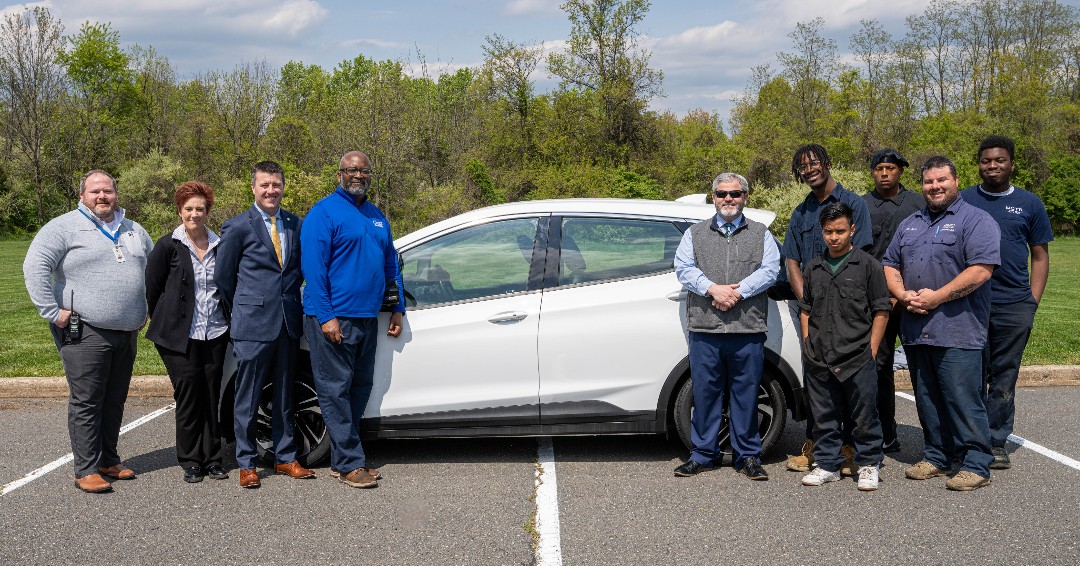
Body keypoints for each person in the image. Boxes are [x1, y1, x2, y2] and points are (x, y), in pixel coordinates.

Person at [23, 170, 154, 493]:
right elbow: (34, 266)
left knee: (114, 399)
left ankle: (109, 459)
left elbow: (152, 272)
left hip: (127, 330)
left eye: (108, 191)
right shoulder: (63, 227)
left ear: (116, 195)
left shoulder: (134, 230)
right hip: (85, 331)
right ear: (82, 196)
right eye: (95, 191)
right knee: (88, 400)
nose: (102, 196)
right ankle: (85, 468)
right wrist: (53, 313)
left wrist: (146, 310)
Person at [882, 156, 999, 491]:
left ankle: (976, 462)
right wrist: (903, 295)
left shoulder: (976, 220)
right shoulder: (911, 224)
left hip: (958, 328)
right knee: (928, 398)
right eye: (929, 182)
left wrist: (938, 297)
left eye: (941, 181)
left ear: (956, 181)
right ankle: (936, 456)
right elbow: (889, 263)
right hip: (917, 329)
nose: (934, 187)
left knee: (962, 397)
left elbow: (981, 270)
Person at [300, 151, 404, 489]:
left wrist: (397, 307)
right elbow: (313, 270)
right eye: (351, 170)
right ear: (340, 174)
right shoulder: (323, 213)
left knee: (360, 386)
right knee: (334, 391)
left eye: (364, 170)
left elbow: (391, 265)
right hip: (333, 319)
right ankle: (348, 464)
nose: (358, 175)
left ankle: (344, 458)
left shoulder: (376, 216)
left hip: (366, 317)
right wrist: (327, 317)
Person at [672, 172, 779, 481]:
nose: (728, 199)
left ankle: (748, 456)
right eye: (722, 194)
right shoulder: (695, 234)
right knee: (706, 394)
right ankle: (702, 455)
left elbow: (771, 270)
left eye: (734, 194)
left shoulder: (761, 234)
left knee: (745, 395)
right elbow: (683, 267)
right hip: (706, 330)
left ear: (745, 197)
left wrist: (737, 291)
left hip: (747, 330)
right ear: (714, 197)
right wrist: (713, 289)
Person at [216, 160, 314, 489]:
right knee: (248, 397)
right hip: (252, 325)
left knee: (285, 395)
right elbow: (224, 279)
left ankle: (286, 457)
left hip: (288, 322)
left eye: (276, 184)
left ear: (283, 186)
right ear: (253, 188)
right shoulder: (237, 226)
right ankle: (246, 462)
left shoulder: (295, 224)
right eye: (264, 185)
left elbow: (296, 271)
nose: (271, 190)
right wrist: (242, 313)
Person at [960, 135, 1053, 470]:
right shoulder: (965, 200)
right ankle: (971, 440)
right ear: (979, 164)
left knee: (1003, 378)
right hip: (971, 303)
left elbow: (1040, 256)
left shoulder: (1030, 204)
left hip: (1014, 305)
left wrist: (1031, 301)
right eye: (986, 161)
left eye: (999, 160)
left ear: (1012, 164)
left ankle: (996, 440)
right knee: (970, 374)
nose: (993, 166)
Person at [782, 144, 873, 474]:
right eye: (802, 166)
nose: (809, 170)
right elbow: (791, 259)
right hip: (811, 310)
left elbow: (861, 257)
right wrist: (808, 298)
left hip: (848, 309)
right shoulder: (801, 212)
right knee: (816, 377)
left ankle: (850, 449)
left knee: (850, 377)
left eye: (814, 163)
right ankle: (817, 446)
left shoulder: (854, 205)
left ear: (827, 164)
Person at [798, 203, 891, 491]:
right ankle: (827, 464)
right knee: (824, 416)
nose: (834, 237)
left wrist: (872, 349)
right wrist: (807, 343)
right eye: (828, 231)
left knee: (864, 415)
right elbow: (805, 308)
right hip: (820, 356)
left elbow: (881, 310)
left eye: (840, 231)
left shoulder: (868, 266)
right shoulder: (813, 267)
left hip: (857, 355)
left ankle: (868, 464)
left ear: (852, 230)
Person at [144, 181, 230, 484]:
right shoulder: (168, 244)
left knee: (211, 395)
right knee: (189, 395)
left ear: (208, 212)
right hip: (179, 337)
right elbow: (152, 287)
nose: (195, 214)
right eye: (189, 208)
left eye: (200, 209)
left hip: (216, 332)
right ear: (180, 211)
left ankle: (214, 459)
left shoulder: (221, 244)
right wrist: (167, 320)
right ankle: (191, 460)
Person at [862, 148, 923, 453]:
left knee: (922, 367)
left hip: (914, 299)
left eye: (890, 168)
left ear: (901, 171)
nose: (884, 173)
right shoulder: (861, 206)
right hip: (877, 302)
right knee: (878, 366)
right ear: (872, 172)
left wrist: (906, 294)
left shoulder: (918, 203)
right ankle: (886, 433)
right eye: (879, 168)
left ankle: (938, 437)